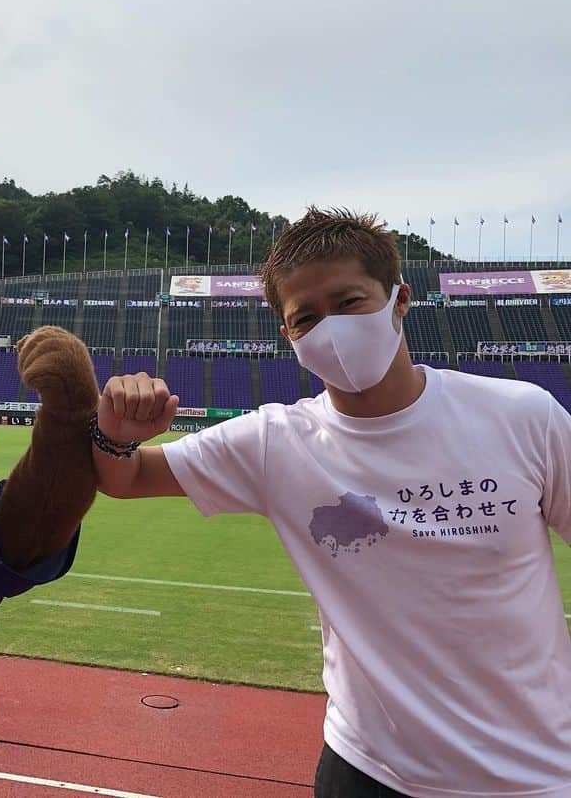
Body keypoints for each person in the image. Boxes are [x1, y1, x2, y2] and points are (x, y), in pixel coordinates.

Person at [92, 207, 571, 798]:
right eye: (306, 318)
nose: (331, 329)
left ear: (400, 299)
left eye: (349, 302)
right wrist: (111, 432)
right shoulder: (275, 441)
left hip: (535, 773)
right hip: (367, 771)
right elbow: (127, 478)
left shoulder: (521, 415)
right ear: (288, 335)